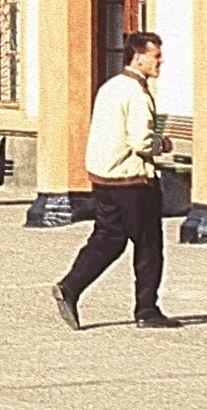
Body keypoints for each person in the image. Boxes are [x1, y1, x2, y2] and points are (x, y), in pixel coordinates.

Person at [55, 31, 180, 330]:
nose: (160, 61)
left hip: (104, 176)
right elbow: (140, 140)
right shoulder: (136, 93)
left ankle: (70, 287)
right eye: (156, 55)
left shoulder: (110, 87)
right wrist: (162, 145)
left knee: (108, 238)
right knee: (149, 244)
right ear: (139, 57)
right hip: (132, 179)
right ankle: (147, 310)